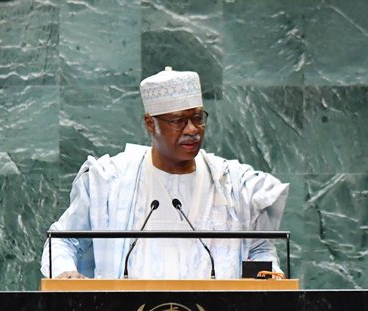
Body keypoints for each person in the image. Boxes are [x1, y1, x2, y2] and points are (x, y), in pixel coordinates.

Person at [41, 67, 288, 279]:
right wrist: (64, 272)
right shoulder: (108, 180)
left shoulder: (232, 182)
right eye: (178, 120)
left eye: (197, 118)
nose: (192, 130)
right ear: (151, 124)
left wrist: (269, 277)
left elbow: (259, 249)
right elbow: (62, 240)